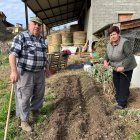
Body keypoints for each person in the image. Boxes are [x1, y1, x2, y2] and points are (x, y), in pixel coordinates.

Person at [9, 16, 51, 132]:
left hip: (39, 72)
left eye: (39, 24)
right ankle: (24, 121)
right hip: (25, 73)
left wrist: (47, 69)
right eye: (34, 23)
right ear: (29, 25)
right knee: (24, 96)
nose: (37, 26)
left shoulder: (42, 39)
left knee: (39, 93)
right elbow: (12, 54)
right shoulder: (21, 37)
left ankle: (35, 112)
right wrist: (13, 71)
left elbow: (44, 56)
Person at [104, 26, 137, 110]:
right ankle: (120, 96)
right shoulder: (109, 44)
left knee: (123, 84)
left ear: (118, 34)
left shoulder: (124, 43)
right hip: (115, 67)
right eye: (111, 35)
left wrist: (123, 66)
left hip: (126, 67)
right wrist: (105, 60)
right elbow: (107, 54)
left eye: (114, 34)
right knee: (116, 83)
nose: (112, 36)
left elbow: (129, 56)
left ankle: (122, 103)